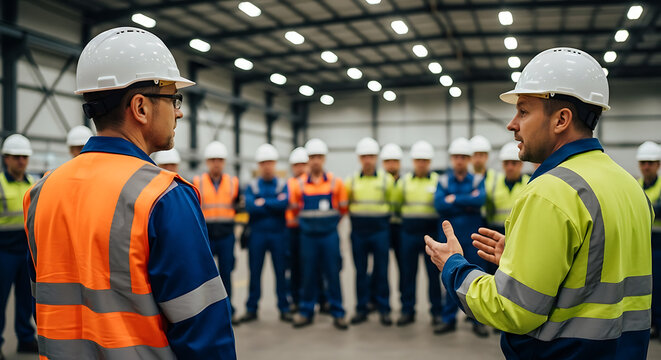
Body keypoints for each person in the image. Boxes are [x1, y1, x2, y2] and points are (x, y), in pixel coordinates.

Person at [424, 47, 652, 359]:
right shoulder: (629, 186)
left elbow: (512, 310)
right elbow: (596, 279)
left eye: (523, 111)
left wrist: (453, 266)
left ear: (561, 119)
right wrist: (524, 261)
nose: (511, 124)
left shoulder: (551, 192)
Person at [24, 27, 236, 359]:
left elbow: (45, 300)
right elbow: (202, 327)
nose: (179, 111)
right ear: (140, 107)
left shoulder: (41, 193)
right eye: (172, 98)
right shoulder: (164, 197)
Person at [289, 138, 349, 330]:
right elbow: (294, 210)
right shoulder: (298, 185)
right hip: (308, 237)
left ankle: (338, 311)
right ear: (308, 160)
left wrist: (327, 224)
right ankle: (306, 311)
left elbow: (342, 209)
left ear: (324, 159)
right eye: (312, 157)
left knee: (333, 273)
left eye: (319, 157)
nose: (315, 161)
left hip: (329, 235)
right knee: (308, 274)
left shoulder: (335, 183)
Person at [434, 137, 488, 338]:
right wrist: (468, 201)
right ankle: (448, 319)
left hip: (473, 239)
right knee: (449, 277)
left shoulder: (477, 180)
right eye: (456, 157)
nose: (459, 160)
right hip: (449, 241)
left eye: (464, 157)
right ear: (451, 159)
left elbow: (480, 199)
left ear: (469, 159)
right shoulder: (442, 180)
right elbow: (439, 205)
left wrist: (454, 199)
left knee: (474, 280)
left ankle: (477, 321)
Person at [391, 140, 443, 330]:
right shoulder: (404, 182)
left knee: (433, 275)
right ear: (413, 161)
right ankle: (407, 310)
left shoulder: (438, 181)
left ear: (429, 162)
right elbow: (396, 205)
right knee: (408, 274)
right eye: (418, 160)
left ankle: (436, 312)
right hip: (409, 234)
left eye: (425, 160)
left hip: (431, 236)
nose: (422, 163)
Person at [346, 137, 394, 326]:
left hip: (380, 230)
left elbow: (393, 203)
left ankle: (384, 309)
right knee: (360, 272)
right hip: (358, 231)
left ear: (376, 158)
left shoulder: (386, 181)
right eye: (364, 156)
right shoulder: (351, 181)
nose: (368, 160)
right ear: (359, 158)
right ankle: (361, 308)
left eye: (371, 156)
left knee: (382, 271)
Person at [240, 144, 292, 323]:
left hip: (278, 235)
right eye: (263, 163)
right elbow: (250, 207)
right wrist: (272, 203)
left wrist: (263, 202)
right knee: (254, 273)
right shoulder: (252, 185)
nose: (267, 166)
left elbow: (283, 205)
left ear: (275, 164)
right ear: (259, 165)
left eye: (270, 162)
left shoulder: (282, 184)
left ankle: (284, 307)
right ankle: (251, 308)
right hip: (257, 235)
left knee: (280, 273)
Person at [193, 140, 240, 324]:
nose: (216, 163)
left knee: (226, 274)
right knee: (205, 277)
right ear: (207, 162)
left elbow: (241, 209)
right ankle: (208, 314)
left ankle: (229, 310)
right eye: (213, 160)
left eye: (219, 160)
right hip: (206, 238)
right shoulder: (197, 183)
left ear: (224, 162)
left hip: (227, 237)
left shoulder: (233, 183)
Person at [0, 134, 37, 359]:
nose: (21, 161)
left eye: (24, 157)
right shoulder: (0, 184)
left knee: (26, 299)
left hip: (26, 252)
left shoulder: (33, 184)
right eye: (16, 157)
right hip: (3, 251)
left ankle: (25, 338)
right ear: (6, 159)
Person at [636, 141, 661, 340]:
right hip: (642, 246)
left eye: (650, 163)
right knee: (646, 288)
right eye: (643, 162)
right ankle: (651, 324)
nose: (646, 166)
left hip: (659, 246)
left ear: (658, 165)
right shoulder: (635, 186)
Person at [485, 142, 530, 236]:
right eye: (506, 163)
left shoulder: (530, 184)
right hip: (496, 232)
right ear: (502, 164)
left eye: (514, 163)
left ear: (521, 164)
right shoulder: (492, 184)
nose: (510, 167)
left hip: (520, 233)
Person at [286, 147, 308, 311]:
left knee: (310, 267)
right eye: (296, 165)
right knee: (294, 267)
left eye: (303, 164)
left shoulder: (311, 184)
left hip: (308, 231)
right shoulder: (288, 184)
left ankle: (318, 299)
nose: (300, 168)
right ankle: (295, 299)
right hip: (292, 231)